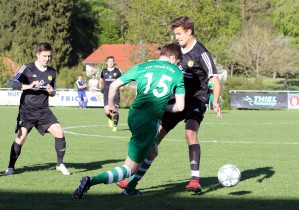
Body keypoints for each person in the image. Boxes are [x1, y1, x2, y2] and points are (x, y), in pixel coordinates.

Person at [117, 16, 222, 194]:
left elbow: (214, 79)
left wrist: (216, 100)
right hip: (176, 101)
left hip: (196, 100)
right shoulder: (176, 53)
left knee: (190, 133)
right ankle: (131, 182)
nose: (177, 37)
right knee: (153, 140)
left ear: (189, 32)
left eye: (179, 34)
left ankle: (195, 179)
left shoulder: (202, 53)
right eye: (175, 34)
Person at [72, 43, 185, 199]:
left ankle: (131, 188)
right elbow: (180, 107)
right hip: (149, 120)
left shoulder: (143, 66)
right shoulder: (177, 73)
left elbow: (113, 85)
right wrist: (164, 105)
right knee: (129, 169)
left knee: (152, 152)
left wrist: (111, 105)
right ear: (173, 58)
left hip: (134, 114)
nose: (177, 65)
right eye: (178, 62)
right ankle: (91, 181)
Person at [4, 42, 71, 176]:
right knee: (21, 138)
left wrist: (51, 91)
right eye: (45, 56)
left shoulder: (52, 72)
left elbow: (53, 92)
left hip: (43, 110)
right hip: (27, 111)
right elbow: (14, 84)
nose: (47, 59)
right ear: (37, 55)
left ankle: (60, 164)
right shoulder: (27, 68)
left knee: (59, 132)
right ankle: (11, 167)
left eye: (49, 56)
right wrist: (30, 85)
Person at [99, 56, 122, 131]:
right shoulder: (103, 71)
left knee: (114, 110)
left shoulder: (118, 71)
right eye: (109, 61)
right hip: (106, 93)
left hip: (116, 93)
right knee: (107, 111)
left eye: (112, 61)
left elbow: (122, 80)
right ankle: (109, 118)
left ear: (114, 62)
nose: (110, 63)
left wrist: (122, 86)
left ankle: (115, 126)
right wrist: (100, 84)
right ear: (107, 62)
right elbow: (101, 79)